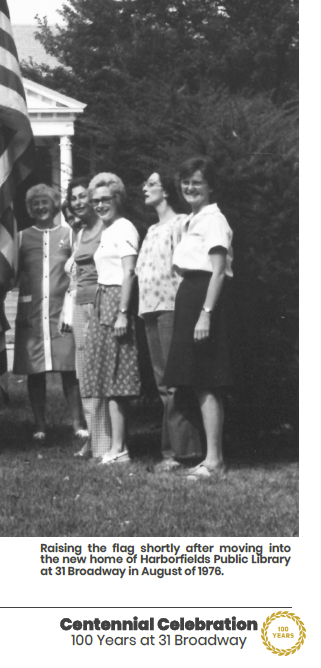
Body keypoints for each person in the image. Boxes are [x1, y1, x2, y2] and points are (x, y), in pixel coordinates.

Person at [164, 156, 233, 479]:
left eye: (197, 182)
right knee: (195, 379)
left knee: (207, 380)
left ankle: (215, 460)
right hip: (190, 295)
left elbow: (218, 272)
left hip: (205, 298)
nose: (190, 187)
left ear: (210, 186)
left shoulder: (213, 220)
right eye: (186, 182)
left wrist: (205, 314)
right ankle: (207, 457)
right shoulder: (192, 219)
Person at [136, 169, 202, 470]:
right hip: (150, 310)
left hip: (172, 308)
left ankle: (185, 453)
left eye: (152, 184)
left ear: (166, 191)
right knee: (163, 384)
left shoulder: (180, 224)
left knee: (175, 383)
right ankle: (169, 452)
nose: (145, 188)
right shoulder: (151, 229)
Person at [13, 183, 86, 441]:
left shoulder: (69, 234)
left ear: (55, 205)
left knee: (70, 370)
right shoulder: (21, 236)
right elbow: (12, 274)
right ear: (30, 209)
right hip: (32, 313)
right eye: (36, 203)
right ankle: (40, 425)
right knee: (35, 371)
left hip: (62, 312)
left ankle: (77, 423)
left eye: (45, 202)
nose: (41, 207)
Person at [83, 173, 141, 464]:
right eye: (95, 201)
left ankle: (120, 448)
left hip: (117, 301)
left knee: (118, 377)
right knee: (106, 375)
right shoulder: (106, 230)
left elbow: (130, 272)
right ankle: (112, 445)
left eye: (105, 199)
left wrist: (122, 313)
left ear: (117, 198)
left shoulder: (124, 228)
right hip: (102, 299)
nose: (100, 205)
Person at [64, 177, 111, 459]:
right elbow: (75, 275)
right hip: (80, 306)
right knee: (83, 374)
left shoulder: (107, 229)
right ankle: (93, 438)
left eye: (83, 197)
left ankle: (105, 441)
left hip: (100, 304)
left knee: (98, 372)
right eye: (74, 198)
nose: (79, 203)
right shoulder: (80, 234)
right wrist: (68, 310)